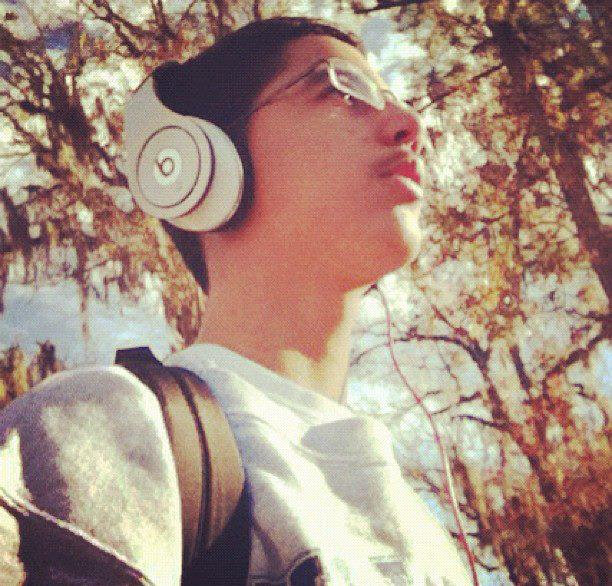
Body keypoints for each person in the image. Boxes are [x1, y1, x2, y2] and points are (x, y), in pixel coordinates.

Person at [0, 16, 471, 585]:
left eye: (398, 100)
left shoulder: (431, 536)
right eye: (342, 88)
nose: (410, 125)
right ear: (194, 162)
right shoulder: (105, 425)